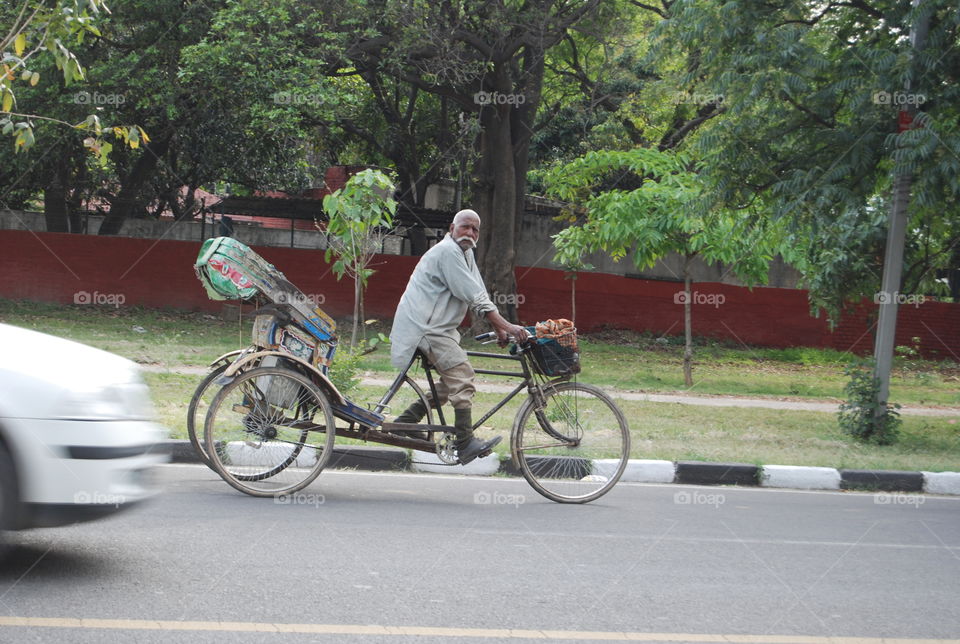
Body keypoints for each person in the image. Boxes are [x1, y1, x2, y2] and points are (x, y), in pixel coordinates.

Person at [389, 209, 528, 464]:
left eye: (475, 230)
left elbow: (478, 289)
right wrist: (507, 325)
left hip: (438, 328)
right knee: (463, 376)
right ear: (452, 228)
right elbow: (470, 294)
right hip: (427, 328)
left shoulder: (465, 253)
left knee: (448, 385)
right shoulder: (448, 252)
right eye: (465, 227)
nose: (470, 233)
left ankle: (405, 422)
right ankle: (464, 442)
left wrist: (498, 327)